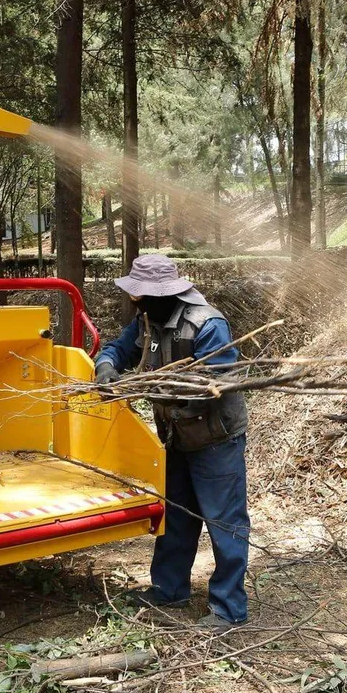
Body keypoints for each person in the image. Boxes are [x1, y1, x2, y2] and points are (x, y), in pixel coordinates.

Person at [94, 254, 250, 632]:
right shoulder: (147, 319)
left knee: (224, 520)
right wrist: (107, 369)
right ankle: (169, 590)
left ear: (166, 294)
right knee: (176, 515)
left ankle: (229, 609)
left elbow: (213, 384)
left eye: (142, 297)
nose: (137, 303)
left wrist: (154, 387)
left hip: (215, 438)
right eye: (137, 297)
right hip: (175, 437)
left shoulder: (207, 323)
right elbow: (118, 347)